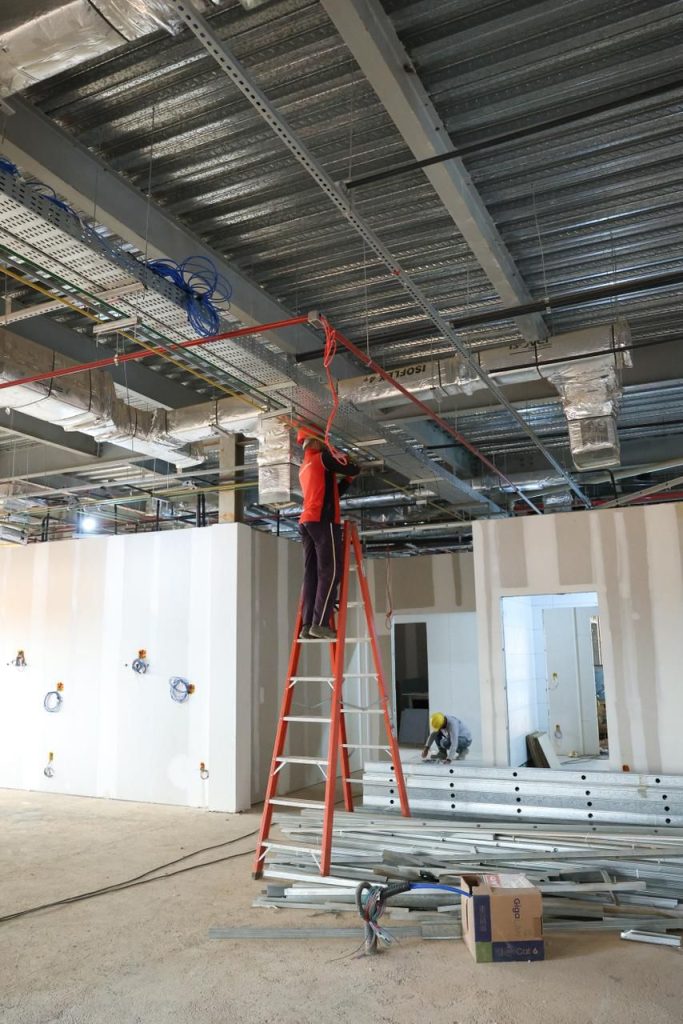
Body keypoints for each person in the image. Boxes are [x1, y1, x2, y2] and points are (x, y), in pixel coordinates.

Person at [297, 427, 359, 641]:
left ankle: (307, 624)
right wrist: (351, 463)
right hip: (322, 522)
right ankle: (320, 623)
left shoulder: (305, 466)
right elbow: (352, 467)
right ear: (315, 443)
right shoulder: (322, 458)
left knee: (312, 574)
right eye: (324, 441)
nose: (327, 444)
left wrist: (348, 481)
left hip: (307, 522)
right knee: (331, 571)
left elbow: (333, 493)